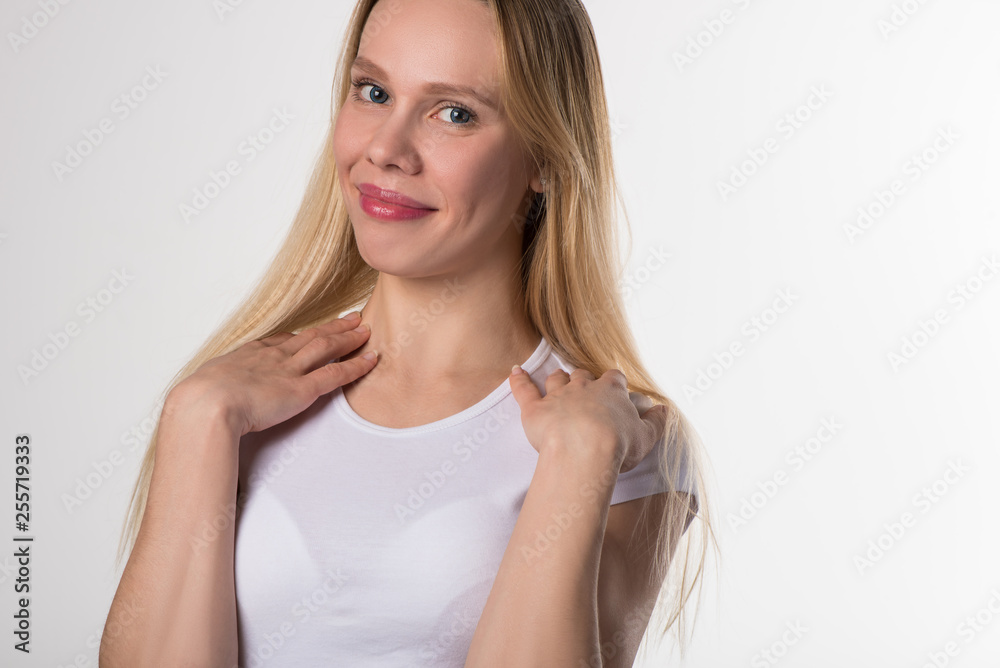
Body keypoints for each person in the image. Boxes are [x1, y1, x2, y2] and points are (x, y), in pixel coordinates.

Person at [99, 0, 717, 665]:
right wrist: (197, 420)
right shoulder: (236, 400)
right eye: (374, 92)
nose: (385, 151)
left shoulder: (624, 440)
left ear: (545, 157)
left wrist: (576, 465)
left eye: (454, 112)